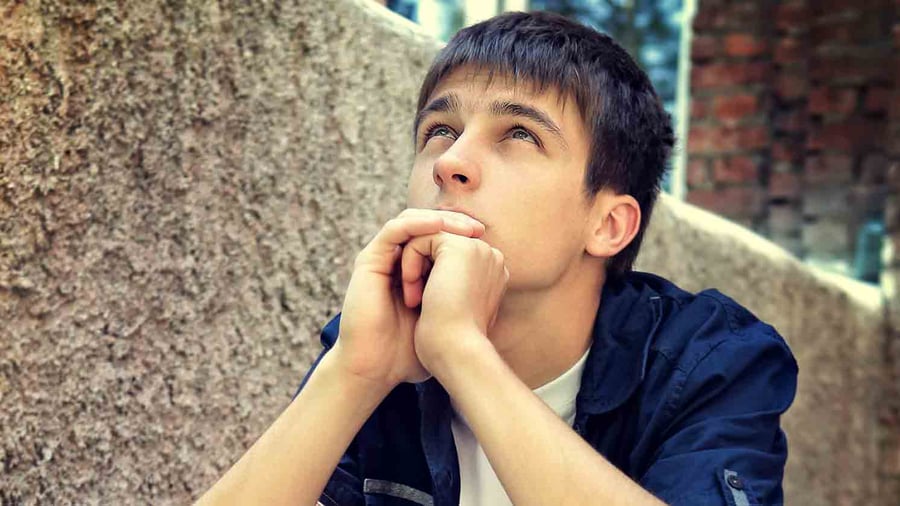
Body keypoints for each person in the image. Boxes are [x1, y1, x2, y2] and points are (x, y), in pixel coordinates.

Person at [197, 11, 797, 506]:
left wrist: (463, 354)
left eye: (519, 134)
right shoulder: (376, 348)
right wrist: (354, 374)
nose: (449, 162)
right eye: (440, 130)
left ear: (608, 224)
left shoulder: (712, 362)